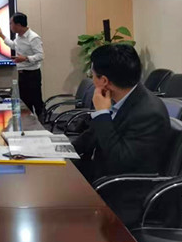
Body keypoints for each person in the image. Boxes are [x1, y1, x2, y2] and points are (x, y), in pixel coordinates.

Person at [72, 44, 171, 227]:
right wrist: (60, 150)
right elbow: (92, 137)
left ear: (104, 81)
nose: (91, 79)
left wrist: (102, 114)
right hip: (104, 177)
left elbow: (118, 160)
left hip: (125, 194)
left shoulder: (148, 113)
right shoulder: (122, 98)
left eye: (93, 75)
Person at [0, 12, 44, 118]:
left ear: (18, 25)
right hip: (22, 74)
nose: (10, 26)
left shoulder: (33, 37)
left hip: (32, 75)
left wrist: (25, 58)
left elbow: (40, 56)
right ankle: (28, 124)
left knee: (36, 102)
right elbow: (14, 45)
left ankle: (43, 124)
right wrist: (1, 35)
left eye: (11, 23)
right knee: (25, 103)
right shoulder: (19, 36)